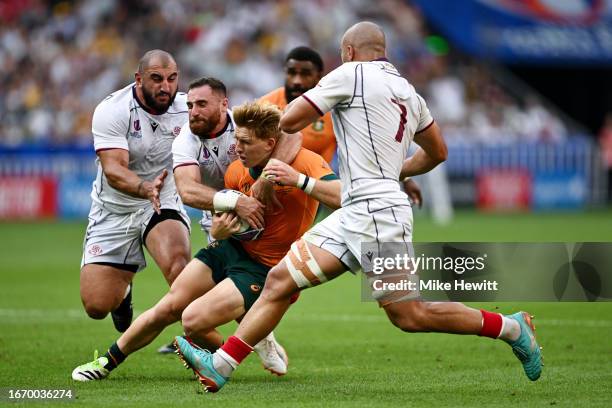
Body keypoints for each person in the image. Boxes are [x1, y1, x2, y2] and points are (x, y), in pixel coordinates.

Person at [173, 22, 543, 393]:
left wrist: (287, 112)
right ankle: (220, 366)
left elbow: (290, 120)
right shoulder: (409, 92)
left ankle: (511, 328)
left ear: (348, 52)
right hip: (357, 207)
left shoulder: (349, 74)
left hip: (377, 214)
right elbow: (438, 152)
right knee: (280, 280)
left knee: (409, 315)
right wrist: (393, 170)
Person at [71, 80, 306, 381]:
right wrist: (237, 201)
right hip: (221, 231)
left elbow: (293, 134)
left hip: (264, 253)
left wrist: (267, 177)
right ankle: (106, 362)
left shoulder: (247, 125)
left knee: (202, 314)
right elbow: (187, 190)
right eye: (190, 105)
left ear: (224, 105)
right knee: (171, 306)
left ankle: (245, 345)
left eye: (201, 105)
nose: (192, 112)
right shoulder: (186, 139)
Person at [79, 49, 191, 334]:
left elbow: (228, 127)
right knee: (96, 306)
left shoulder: (189, 108)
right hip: (115, 208)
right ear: (139, 79)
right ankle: (123, 293)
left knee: (179, 269)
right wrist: (143, 187)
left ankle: (208, 349)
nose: (166, 87)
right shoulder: (114, 109)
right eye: (156, 79)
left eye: (172, 78)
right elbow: (114, 170)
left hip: (161, 202)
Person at [260, 46, 422, 206]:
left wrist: (405, 178)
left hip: (310, 192)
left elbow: (369, 149)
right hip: (265, 185)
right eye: (292, 73)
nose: (297, 81)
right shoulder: (264, 106)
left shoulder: (335, 110)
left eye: (305, 74)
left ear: (318, 77)